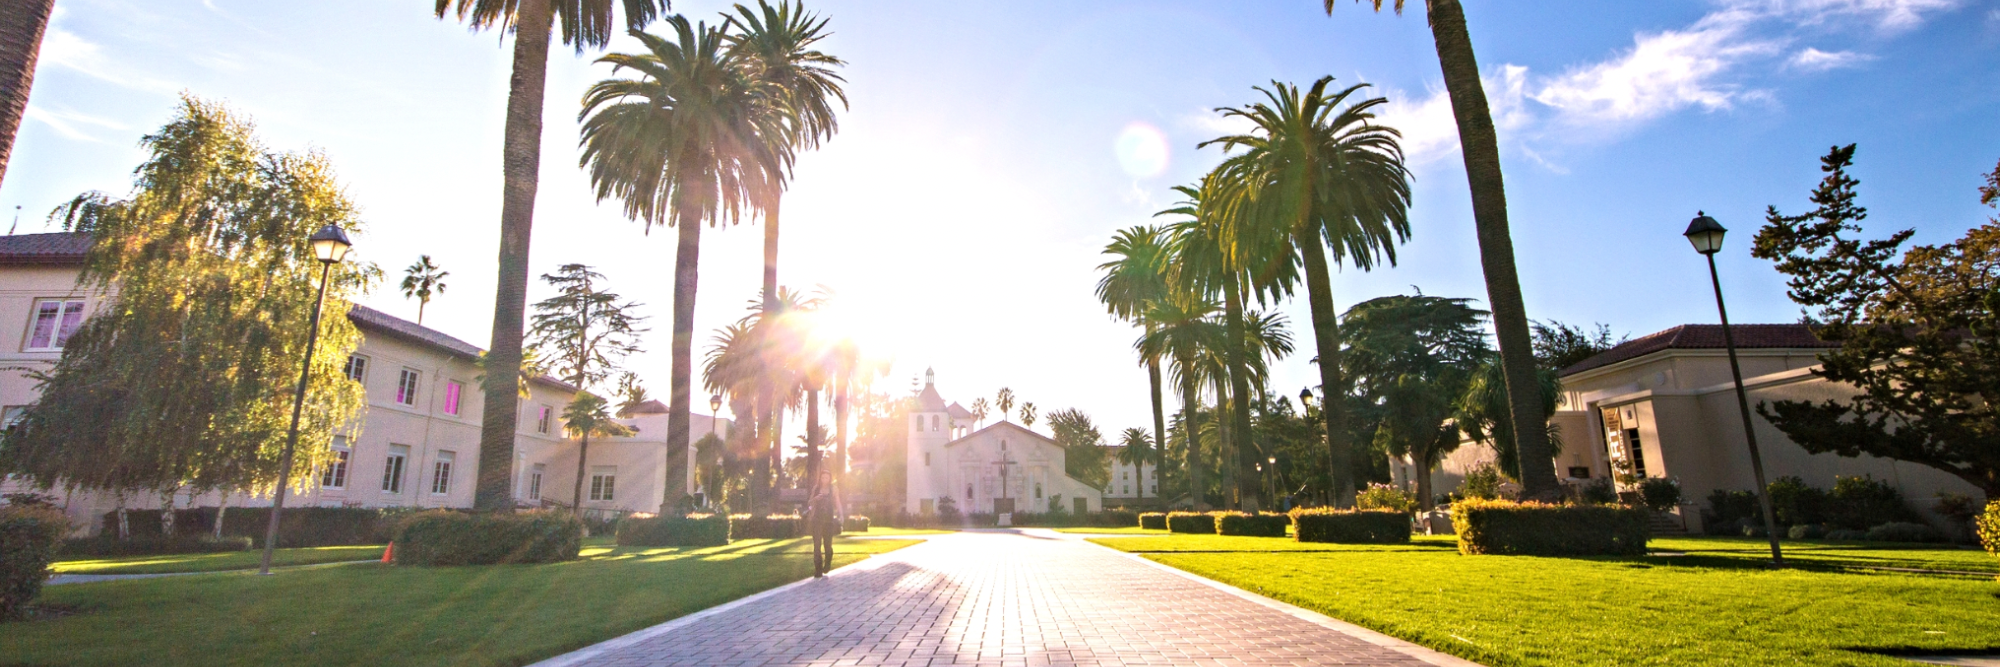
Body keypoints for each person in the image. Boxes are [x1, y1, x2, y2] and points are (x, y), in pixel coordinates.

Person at [806, 470, 838, 578]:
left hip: (828, 521)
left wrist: (841, 515)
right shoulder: (816, 489)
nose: (824, 479)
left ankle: (827, 563)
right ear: (820, 478)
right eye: (823, 477)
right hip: (817, 520)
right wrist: (815, 499)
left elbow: (837, 502)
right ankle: (818, 570)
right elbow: (809, 502)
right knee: (817, 545)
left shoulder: (833, 489)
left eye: (827, 477)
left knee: (827, 546)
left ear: (830, 479)